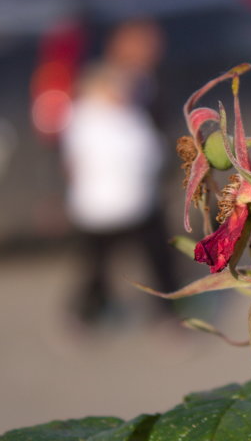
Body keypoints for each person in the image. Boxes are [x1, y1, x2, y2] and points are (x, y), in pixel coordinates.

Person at [61, 58, 178, 327]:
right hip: (100, 210)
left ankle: (167, 315)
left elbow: (154, 153)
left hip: (139, 204)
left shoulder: (131, 114)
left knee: (160, 265)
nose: (121, 92)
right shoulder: (85, 118)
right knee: (95, 269)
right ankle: (83, 316)